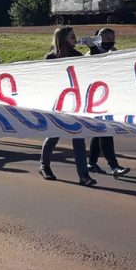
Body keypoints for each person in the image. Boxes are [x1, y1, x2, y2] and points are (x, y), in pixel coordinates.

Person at [39, 26, 95, 186]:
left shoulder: (77, 55)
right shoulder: (51, 57)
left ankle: (84, 176)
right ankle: (44, 166)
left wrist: (92, 47)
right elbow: (46, 80)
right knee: (53, 136)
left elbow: (94, 67)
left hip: (74, 103)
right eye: (72, 36)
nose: (75, 39)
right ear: (63, 38)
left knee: (78, 138)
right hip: (57, 103)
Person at [85, 28, 130, 178]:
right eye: (107, 38)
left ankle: (91, 163)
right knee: (106, 131)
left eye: (112, 37)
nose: (110, 41)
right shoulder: (91, 53)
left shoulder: (115, 52)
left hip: (109, 98)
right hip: (95, 100)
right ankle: (114, 166)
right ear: (98, 39)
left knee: (99, 132)